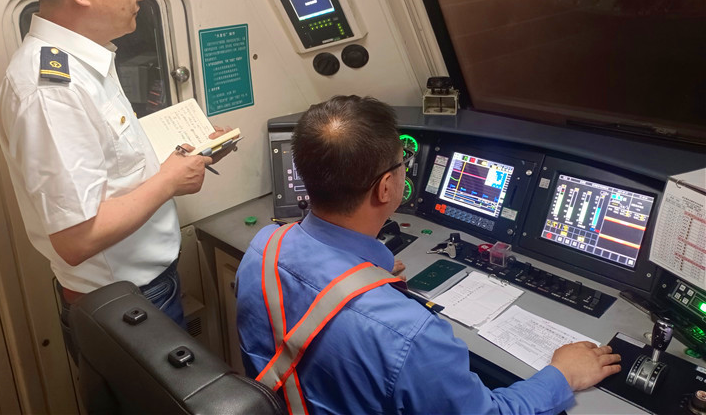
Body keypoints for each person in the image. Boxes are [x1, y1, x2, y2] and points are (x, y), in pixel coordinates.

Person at [235, 95, 621, 415]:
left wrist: (367, 280)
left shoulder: (263, 249)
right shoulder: (411, 335)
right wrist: (562, 375)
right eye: (401, 164)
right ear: (386, 188)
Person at [0, 0, 231, 332]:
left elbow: (108, 166)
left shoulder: (84, 58)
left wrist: (187, 154)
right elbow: (76, 238)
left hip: (141, 290)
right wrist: (170, 181)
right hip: (127, 304)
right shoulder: (52, 90)